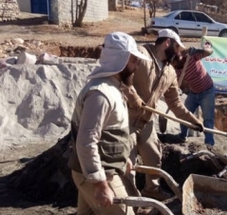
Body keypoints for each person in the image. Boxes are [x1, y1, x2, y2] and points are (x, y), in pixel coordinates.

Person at [67, 32, 152, 215]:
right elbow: (86, 141)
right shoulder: (100, 94)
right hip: (96, 175)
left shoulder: (113, 89)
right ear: (120, 59)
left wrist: (121, 160)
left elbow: (110, 133)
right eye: (134, 61)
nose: (137, 67)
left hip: (93, 172)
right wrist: (100, 184)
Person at [121, 28, 204, 200]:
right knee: (128, 163)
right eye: (178, 48)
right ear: (167, 43)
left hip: (146, 121)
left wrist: (193, 121)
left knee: (154, 157)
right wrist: (132, 96)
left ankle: (152, 190)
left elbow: (175, 103)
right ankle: (130, 201)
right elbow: (120, 78)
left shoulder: (170, 72)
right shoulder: (140, 55)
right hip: (125, 119)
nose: (179, 53)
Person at [171, 46, 215, 146]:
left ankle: (209, 144)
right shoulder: (176, 70)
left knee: (208, 119)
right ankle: (182, 136)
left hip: (207, 91)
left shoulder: (191, 57)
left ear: (178, 59)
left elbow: (210, 51)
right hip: (194, 93)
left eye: (174, 63)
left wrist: (198, 50)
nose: (173, 65)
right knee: (184, 114)